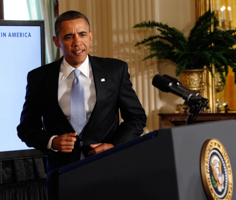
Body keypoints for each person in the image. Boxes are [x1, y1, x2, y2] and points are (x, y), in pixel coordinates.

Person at [17, 10, 146, 200]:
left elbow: (136, 118)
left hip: (109, 169)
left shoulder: (115, 70)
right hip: (63, 175)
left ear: (91, 36)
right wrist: (52, 142)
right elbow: (26, 128)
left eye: (82, 34)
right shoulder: (39, 78)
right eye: (68, 37)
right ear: (56, 41)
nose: (77, 43)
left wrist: (114, 145)